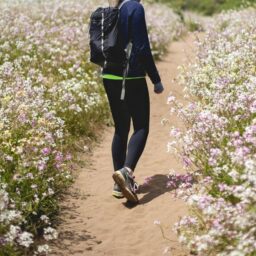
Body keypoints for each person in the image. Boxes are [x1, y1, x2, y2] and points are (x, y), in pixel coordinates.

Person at [102, 0, 164, 203]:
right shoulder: (134, 8)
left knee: (121, 128)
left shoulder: (112, 9)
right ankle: (126, 172)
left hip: (109, 76)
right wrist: (155, 79)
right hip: (131, 76)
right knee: (141, 127)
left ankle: (118, 184)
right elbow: (142, 47)